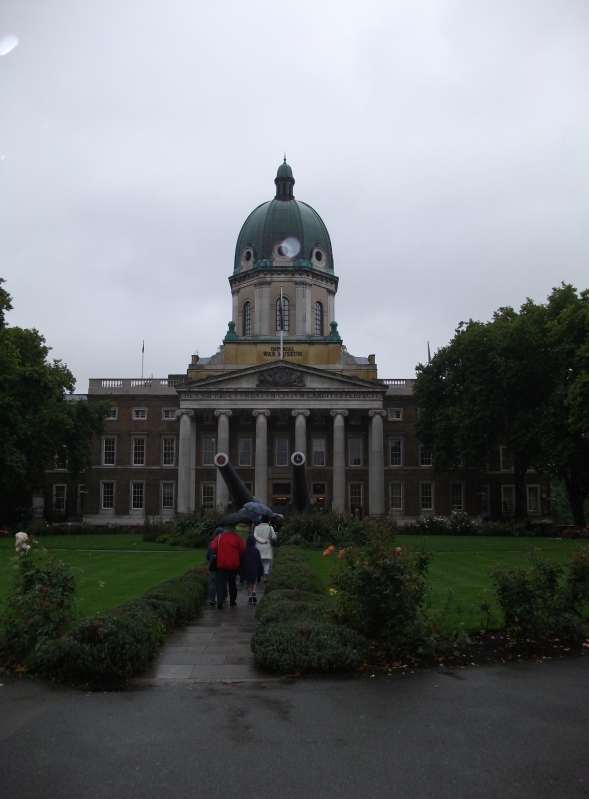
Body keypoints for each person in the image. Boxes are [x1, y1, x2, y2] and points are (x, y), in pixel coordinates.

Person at [211, 523, 246, 608]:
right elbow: (242, 549)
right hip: (233, 563)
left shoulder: (219, 537)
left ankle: (220, 601)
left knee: (221, 582)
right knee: (232, 582)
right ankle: (232, 601)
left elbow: (213, 547)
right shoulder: (236, 538)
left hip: (221, 563)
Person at [239, 534, 264, 604]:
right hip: (255, 569)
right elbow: (259, 561)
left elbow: (240, 559)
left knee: (248, 583)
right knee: (254, 582)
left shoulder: (244, 550)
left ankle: (250, 597)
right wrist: (260, 571)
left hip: (247, 569)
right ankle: (254, 592)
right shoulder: (256, 550)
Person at [254, 515, 276, 582]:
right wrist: (267, 539)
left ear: (261, 520)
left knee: (258, 562)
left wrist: (262, 541)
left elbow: (255, 536)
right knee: (266, 562)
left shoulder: (257, 527)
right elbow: (274, 537)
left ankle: (258, 574)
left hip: (258, 546)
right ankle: (265, 576)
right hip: (267, 545)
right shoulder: (270, 528)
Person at [205, 527, 224, 606]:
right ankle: (222, 597)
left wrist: (211, 560)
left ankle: (211, 598)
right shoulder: (223, 543)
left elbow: (208, 555)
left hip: (213, 564)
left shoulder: (211, 543)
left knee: (213, 581)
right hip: (222, 564)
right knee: (221, 582)